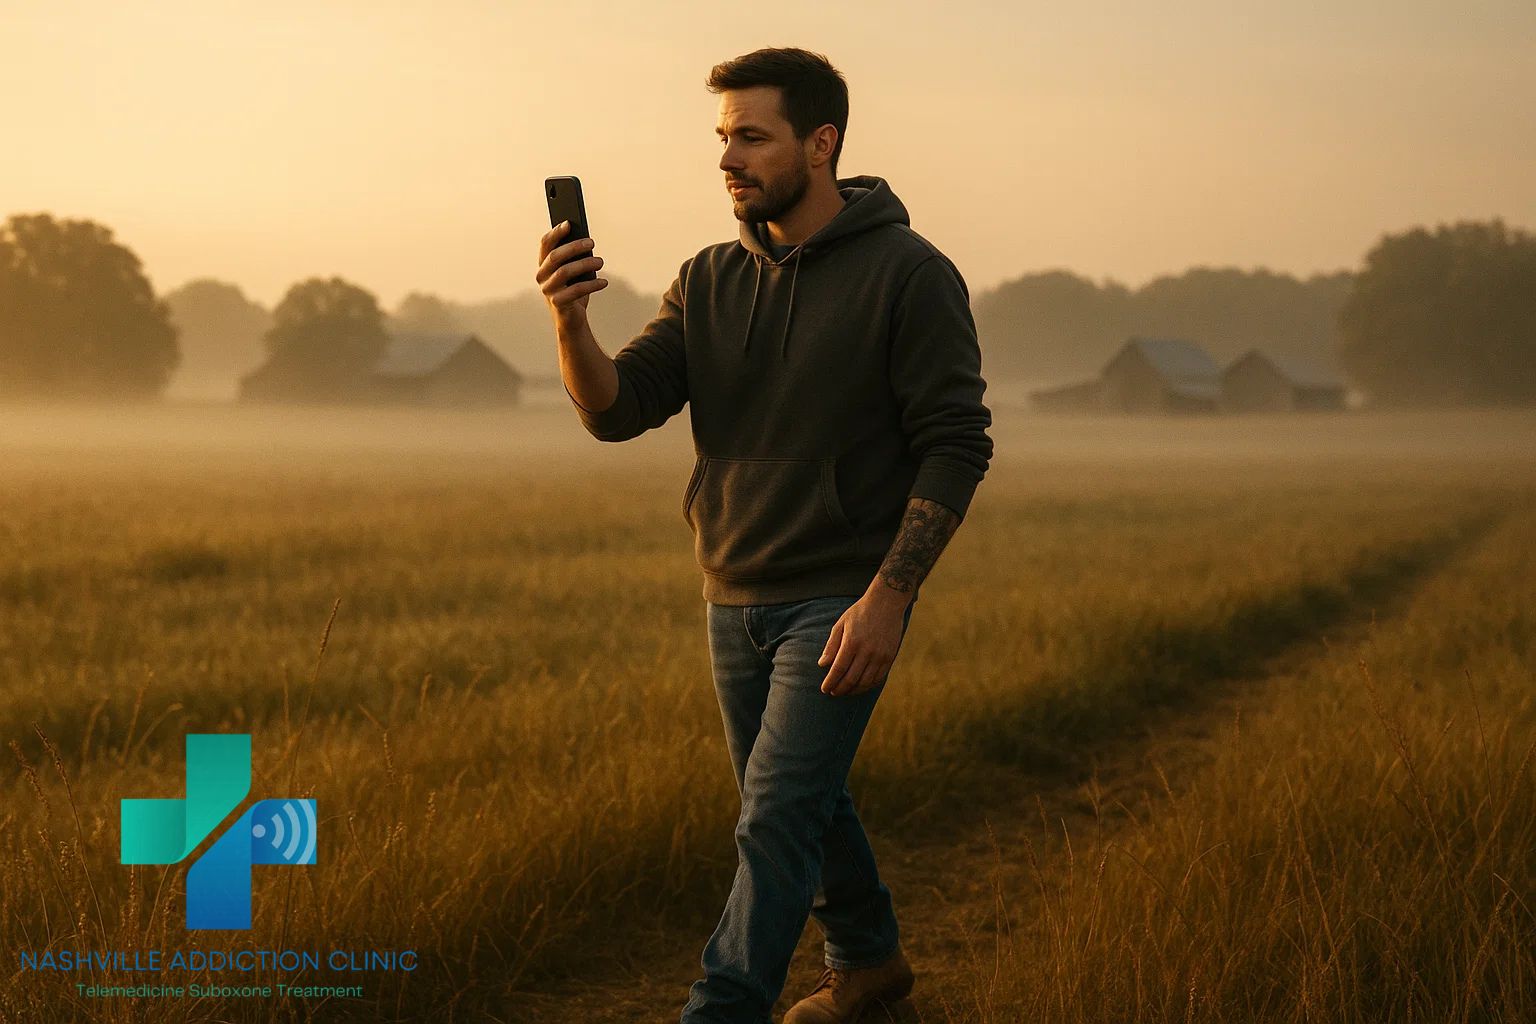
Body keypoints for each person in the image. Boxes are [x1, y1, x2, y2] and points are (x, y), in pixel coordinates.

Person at [536, 45, 992, 1024]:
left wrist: (888, 598)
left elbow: (955, 446)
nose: (727, 158)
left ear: (820, 143)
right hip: (732, 594)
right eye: (722, 137)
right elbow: (615, 410)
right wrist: (570, 322)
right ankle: (868, 963)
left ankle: (722, 1006)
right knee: (806, 801)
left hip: (840, 599)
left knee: (776, 818)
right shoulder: (707, 281)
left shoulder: (911, 276)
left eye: (752, 135)